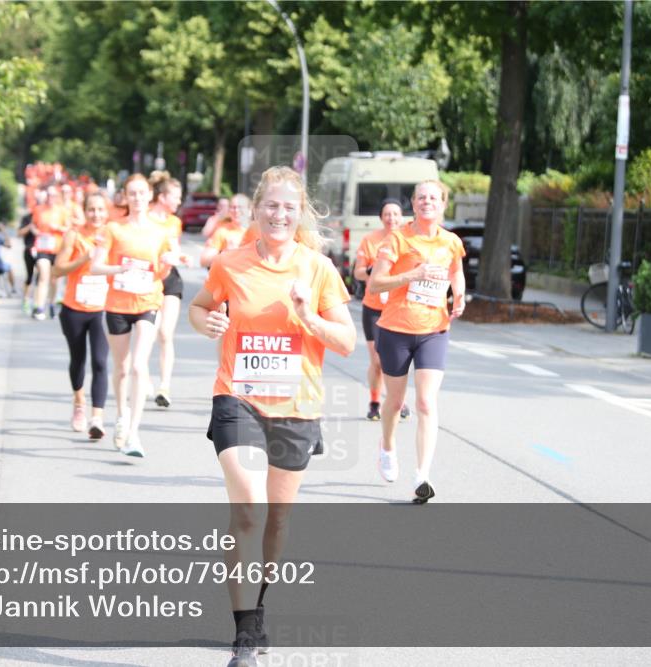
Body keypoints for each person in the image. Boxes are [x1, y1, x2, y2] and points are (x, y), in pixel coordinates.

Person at [188, 166, 355, 667]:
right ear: (256, 210)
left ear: (298, 213)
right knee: (249, 509)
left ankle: (256, 609)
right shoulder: (229, 263)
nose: (279, 214)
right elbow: (199, 308)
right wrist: (208, 321)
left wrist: (308, 315)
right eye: (271, 206)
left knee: (276, 522)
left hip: (297, 407)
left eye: (289, 207)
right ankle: (244, 638)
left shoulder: (318, 269)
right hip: (237, 398)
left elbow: (347, 343)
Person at [366, 180, 465, 503]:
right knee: (394, 403)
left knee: (425, 402)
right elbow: (375, 284)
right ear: (414, 203)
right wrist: (412, 275)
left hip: (434, 330)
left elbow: (455, 272)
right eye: (421, 197)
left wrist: (459, 296)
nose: (427, 202)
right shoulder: (397, 239)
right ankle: (388, 446)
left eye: (433, 198)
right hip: (395, 328)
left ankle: (422, 475)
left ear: (442, 204)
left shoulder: (450, 242)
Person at [100, 173, 178, 456]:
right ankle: (121, 415)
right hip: (118, 304)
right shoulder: (113, 228)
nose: (137, 198)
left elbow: (161, 270)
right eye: (131, 193)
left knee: (138, 366)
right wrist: (116, 270)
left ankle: (134, 433)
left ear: (149, 196)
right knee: (121, 367)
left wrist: (169, 263)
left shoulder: (161, 230)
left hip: (148, 301)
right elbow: (96, 266)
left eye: (141, 193)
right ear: (125, 196)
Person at [53, 193, 120, 439]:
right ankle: (79, 402)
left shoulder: (112, 235)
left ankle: (97, 418)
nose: (97, 215)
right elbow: (57, 270)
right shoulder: (74, 235)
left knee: (101, 362)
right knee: (78, 360)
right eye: (92, 210)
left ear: (107, 212)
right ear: (85, 211)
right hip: (74, 308)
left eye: (101, 210)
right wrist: (84, 258)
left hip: (102, 309)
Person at [352, 198, 410, 421]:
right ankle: (375, 401)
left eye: (396, 214)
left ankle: (398, 401)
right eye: (387, 214)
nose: (392, 218)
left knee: (396, 361)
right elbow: (357, 272)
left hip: (398, 307)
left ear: (401, 217)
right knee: (377, 361)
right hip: (374, 307)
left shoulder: (407, 239)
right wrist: (374, 272)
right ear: (381, 217)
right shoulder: (370, 240)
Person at [148, 172, 187, 408]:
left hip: (170, 279)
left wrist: (180, 256)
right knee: (149, 334)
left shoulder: (174, 222)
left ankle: (164, 386)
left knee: (165, 333)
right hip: (148, 280)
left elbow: (175, 248)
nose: (179, 202)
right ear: (162, 197)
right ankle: (143, 377)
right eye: (176, 197)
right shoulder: (146, 219)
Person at [30, 187, 68, 320]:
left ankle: (51, 303)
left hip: (57, 248)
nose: (50, 198)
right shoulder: (39, 209)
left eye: (53, 195)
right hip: (42, 248)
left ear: (57, 197)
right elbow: (33, 225)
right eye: (48, 195)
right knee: (43, 276)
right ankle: (38, 307)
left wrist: (58, 228)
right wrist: (36, 232)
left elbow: (69, 228)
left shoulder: (62, 211)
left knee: (54, 280)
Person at [200, 194, 252, 268]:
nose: (236, 210)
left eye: (240, 207)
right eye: (233, 207)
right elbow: (204, 261)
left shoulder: (259, 232)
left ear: (250, 210)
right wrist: (225, 254)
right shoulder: (223, 231)